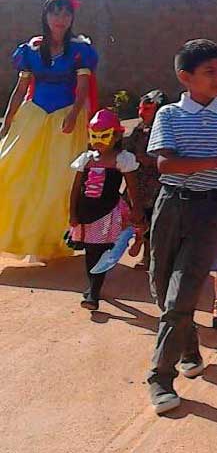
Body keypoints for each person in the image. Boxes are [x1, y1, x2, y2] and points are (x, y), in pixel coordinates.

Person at [145, 39, 217, 415]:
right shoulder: (169, 115)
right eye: (210, 72)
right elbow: (166, 166)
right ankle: (189, 347)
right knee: (160, 287)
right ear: (185, 77)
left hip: (212, 212)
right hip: (171, 207)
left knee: (180, 296)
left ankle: (160, 377)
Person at [0, 0, 98, 260]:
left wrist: (74, 114)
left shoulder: (80, 51)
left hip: (65, 118)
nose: (61, 18)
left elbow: (82, 88)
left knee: (60, 181)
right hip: (34, 117)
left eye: (66, 13)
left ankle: (52, 239)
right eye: (55, 12)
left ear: (72, 18)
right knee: (15, 171)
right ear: (46, 15)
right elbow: (21, 89)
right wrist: (8, 120)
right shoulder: (30, 50)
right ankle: (19, 235)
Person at [67, 109, 144, 310]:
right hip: (86, 212)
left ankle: (93, 292)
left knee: (99, 250)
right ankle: (92, 286)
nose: (98, 141)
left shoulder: (122, 159)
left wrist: (137, 211)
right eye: (94, 136)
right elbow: (75, 189)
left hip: (107, 212)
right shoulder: (86, 159)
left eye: (104, 135)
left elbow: (133, 187)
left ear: (117, 136)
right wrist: (73, 214)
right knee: (90, 251)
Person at [124, 89, 165, 268]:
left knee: (154, 220)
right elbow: (129, 149)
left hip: (156, 184)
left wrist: (150, 160)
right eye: (141, 108)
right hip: (137, 182)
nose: (142, 113)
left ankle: (148, 256)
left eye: (147, 109)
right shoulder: (139, 129)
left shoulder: (164, 130)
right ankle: (138, 238)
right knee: (136, 215)